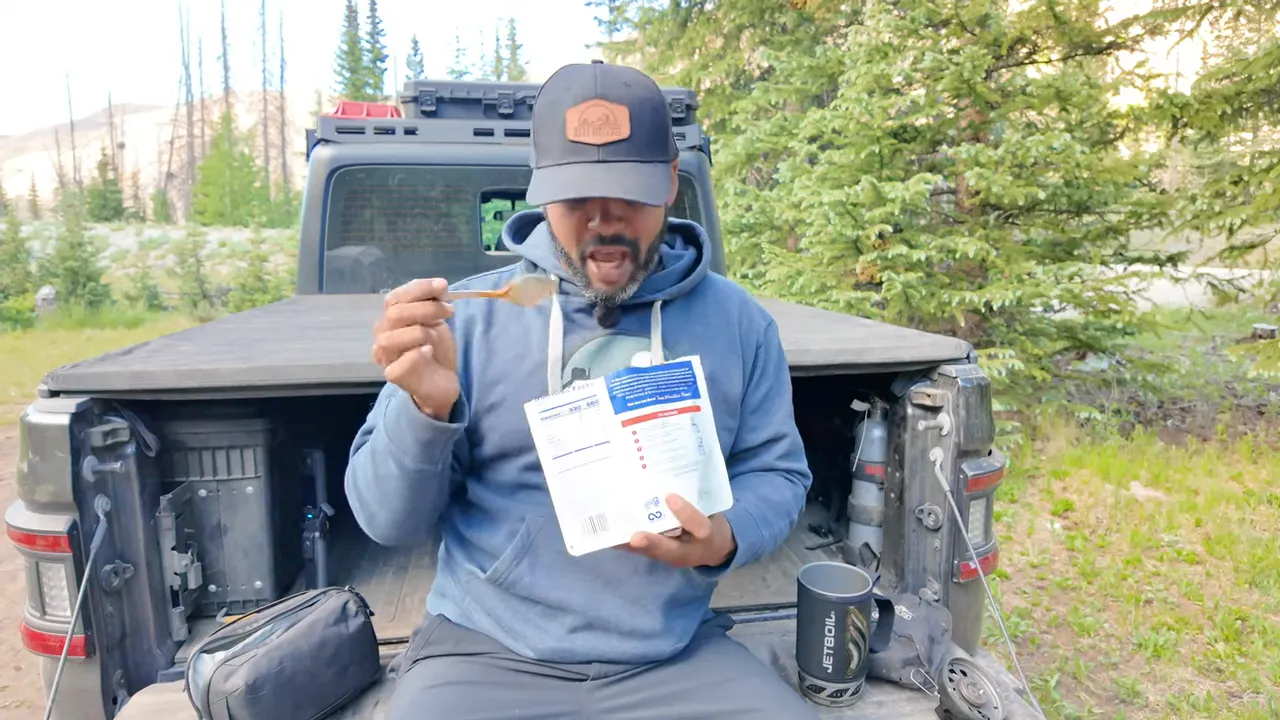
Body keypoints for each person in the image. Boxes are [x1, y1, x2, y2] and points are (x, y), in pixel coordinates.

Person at [346, 60, 818, 720]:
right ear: (539, 194)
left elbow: (778, 472)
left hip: (673, 655)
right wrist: (428, 407)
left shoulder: (738, 323)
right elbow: (386, 521)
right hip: (485, 651)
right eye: (577, 198)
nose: (604, 220)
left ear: (671, 184)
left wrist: (726, 537)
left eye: (629, 192)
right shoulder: (466, 320)